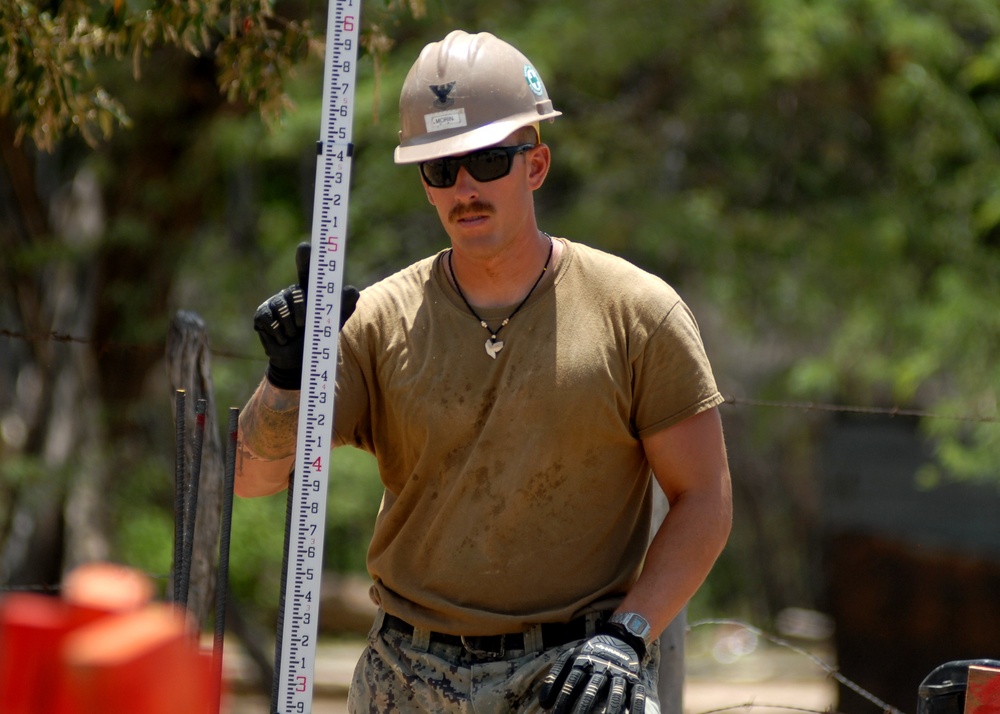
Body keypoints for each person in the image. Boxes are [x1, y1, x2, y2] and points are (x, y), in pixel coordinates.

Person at [236, 29, 732, 714]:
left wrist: (629, 635)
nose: (465, 186)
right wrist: (287, 379)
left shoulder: (637, 313)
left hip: (574, 672)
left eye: (489, 160)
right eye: (442, 169)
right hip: (406, 671)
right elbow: (257, 477)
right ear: (425, 185)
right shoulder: (378, 319)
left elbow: (704, 499)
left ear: (535, 165)